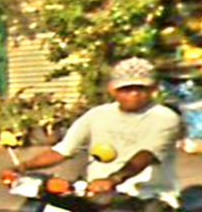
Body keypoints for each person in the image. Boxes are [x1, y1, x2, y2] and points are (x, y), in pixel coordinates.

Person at [14, 57, 182, 210]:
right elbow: (63, 150)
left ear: (153, 89)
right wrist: (22, 167)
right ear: (113, 90)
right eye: (126, 89)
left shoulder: (165, 117)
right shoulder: (97, 115)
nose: (134, 94)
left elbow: (146, 155)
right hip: (95, 195)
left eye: (141, 88)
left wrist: (114, 179)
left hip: (148, 195)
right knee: (40, 206)